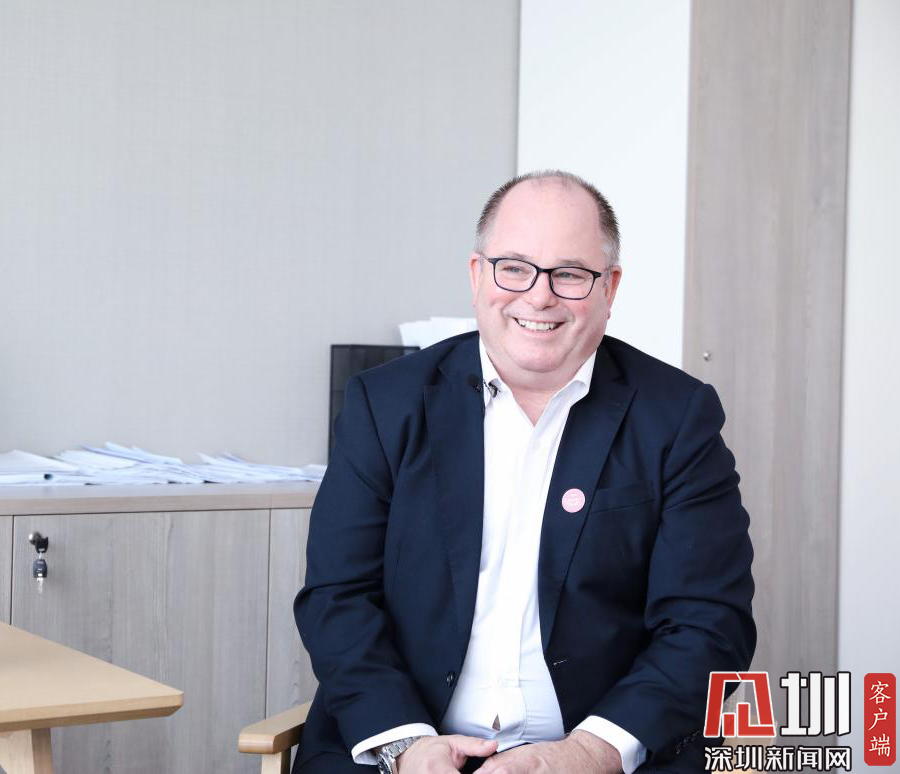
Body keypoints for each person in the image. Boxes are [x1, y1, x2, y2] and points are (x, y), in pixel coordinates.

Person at [293, 171, 756, 774]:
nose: (539, 297)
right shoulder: (385, 406)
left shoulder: (676, 417)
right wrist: (407, 745)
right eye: (514, 268)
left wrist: (590, 752)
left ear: (610, 287)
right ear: (477, 276)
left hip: (596, 755)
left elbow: (708, 622)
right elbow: (337, 598)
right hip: (406, 751)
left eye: (571, 274)